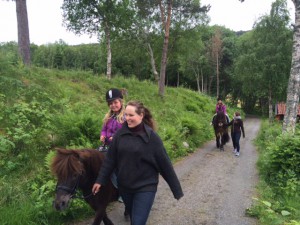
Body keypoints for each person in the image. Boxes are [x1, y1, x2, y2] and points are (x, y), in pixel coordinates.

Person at [92, 100, 184, 225]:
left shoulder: (152, 138)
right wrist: (100, 180)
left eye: (131, 115)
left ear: (141, 115)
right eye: (126, 115)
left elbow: (165, 165)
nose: (127, 118)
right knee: (133, 217)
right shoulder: (119, 135)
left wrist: (176, 189)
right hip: (125, 187)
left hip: (145, 187)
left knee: (138, 222)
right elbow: (110, 160)